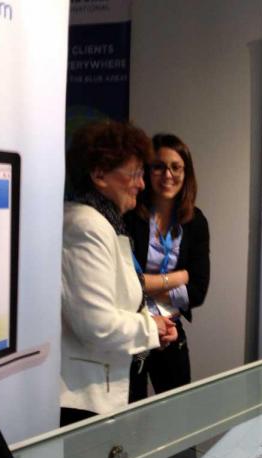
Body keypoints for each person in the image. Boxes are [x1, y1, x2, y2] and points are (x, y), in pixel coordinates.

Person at [61, 121, 178, 427]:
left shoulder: (107, 223)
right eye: (135, 173)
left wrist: (154, 326)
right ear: (99, 174)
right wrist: (151, 327)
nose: (142, 184)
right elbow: (96, 324)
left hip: (112, 385)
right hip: (88, 401)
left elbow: (123, 302)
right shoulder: (87, 226)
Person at [125, 132, 210, 400]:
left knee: (178, 411)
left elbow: (197, 291)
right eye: (159, 167)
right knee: (130, 413)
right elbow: (125, 284)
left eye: (176, 167)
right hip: (135, 327)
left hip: (171, 330)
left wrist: (146, 285)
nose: (168, 175)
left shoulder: (195, 222)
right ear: (147, 171)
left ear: (186, 173)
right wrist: (179, 277)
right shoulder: (129, 216)